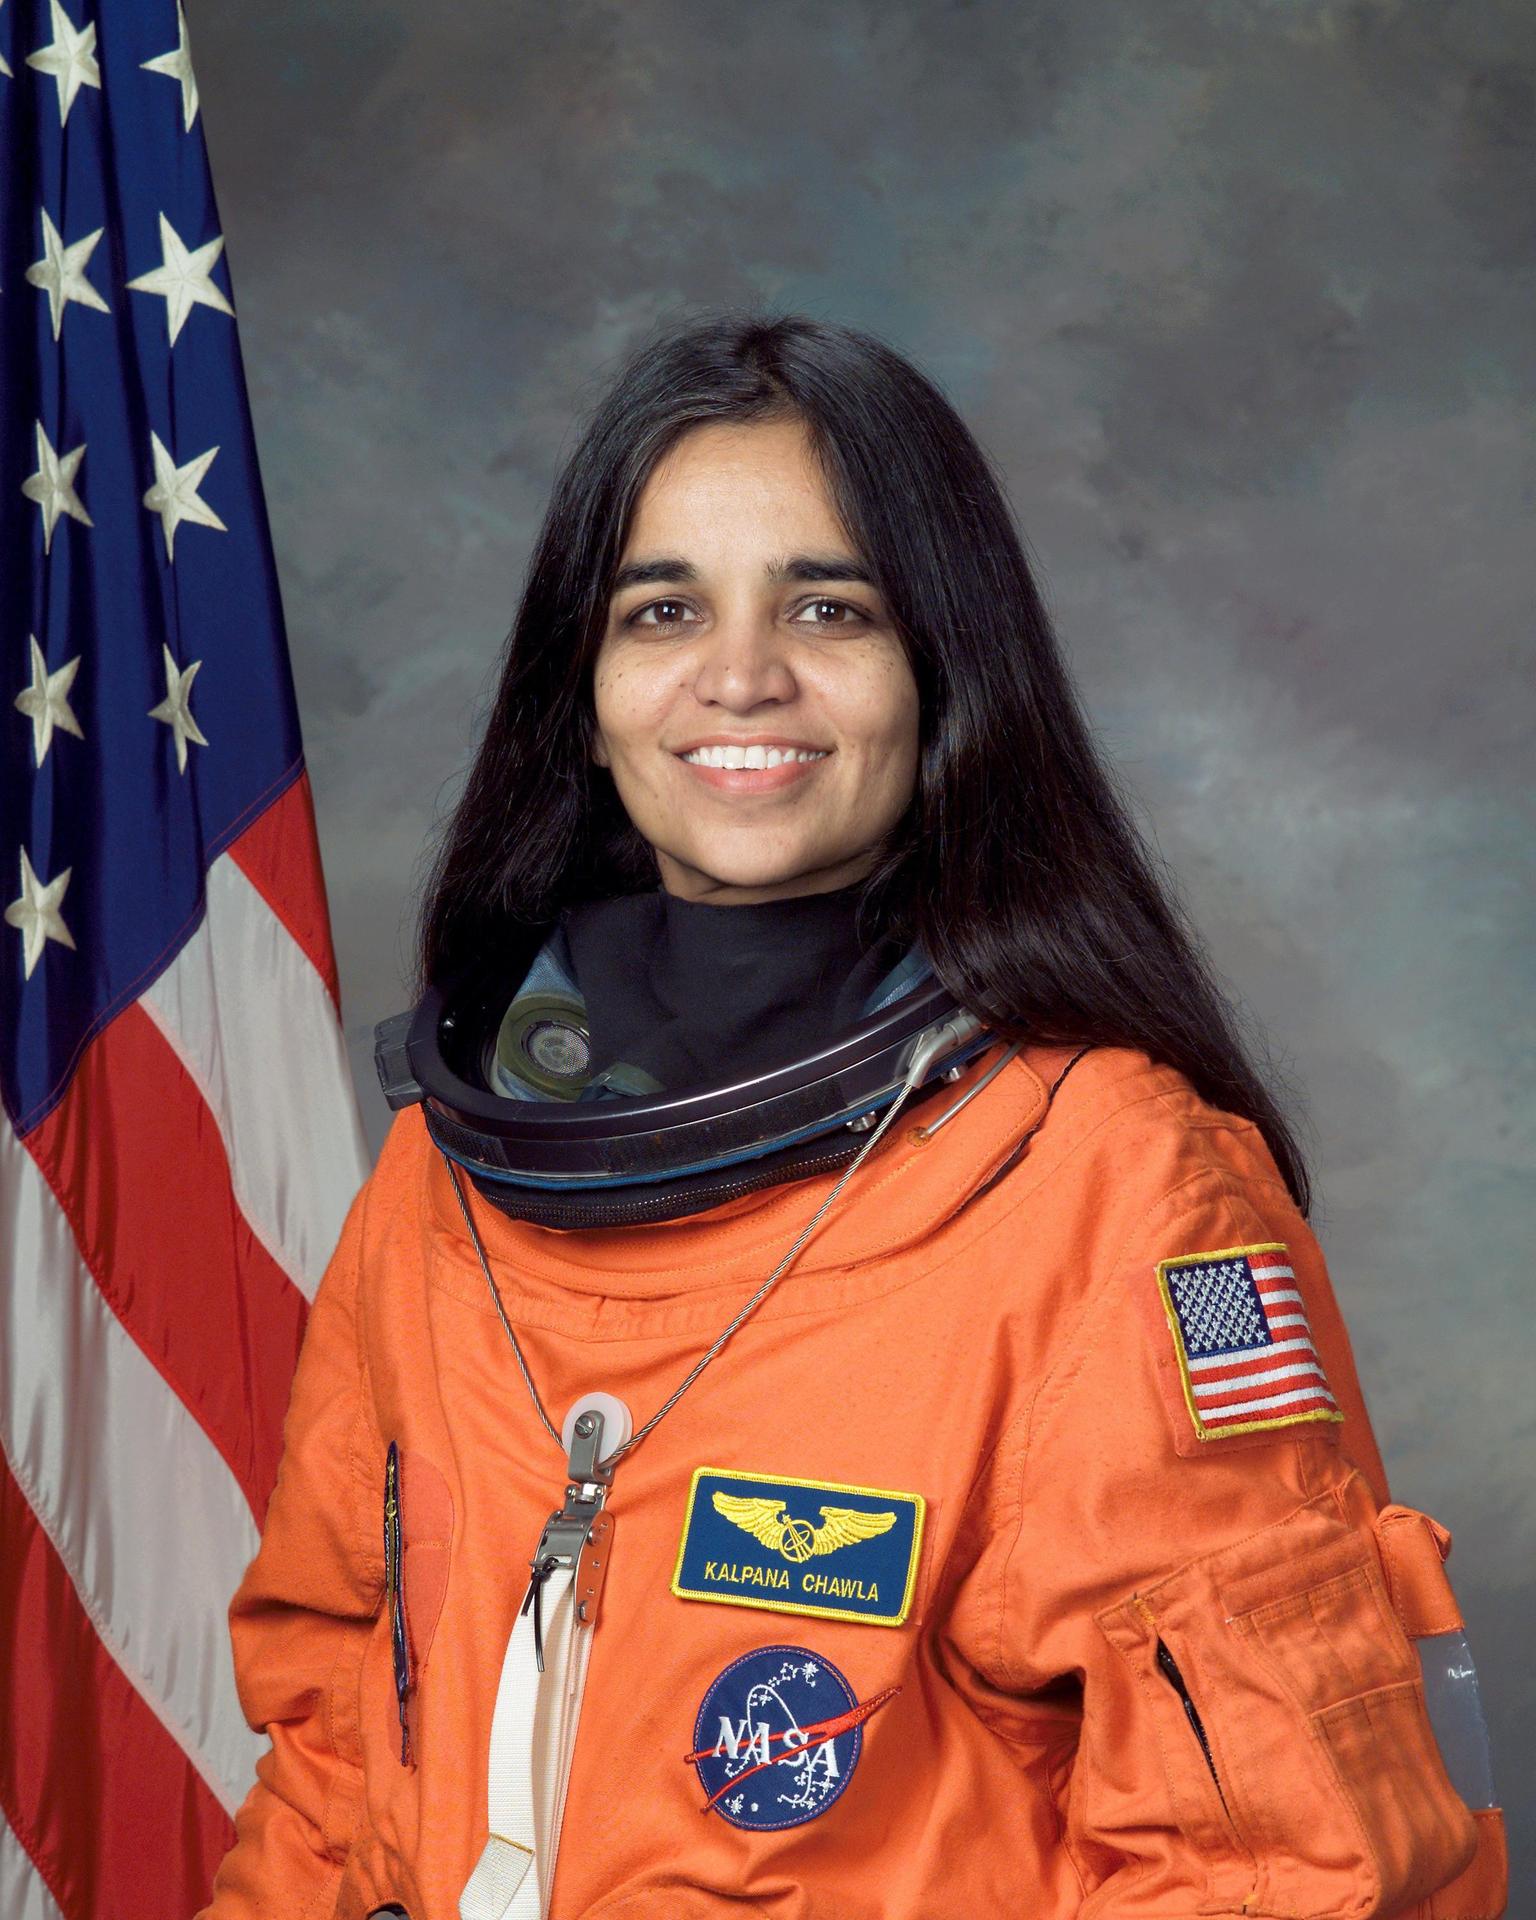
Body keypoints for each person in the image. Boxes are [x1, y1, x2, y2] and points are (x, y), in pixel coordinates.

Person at [199, 312, 1507, 1920]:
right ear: (584, 686)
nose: (740, 675)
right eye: (662, 608)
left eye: (829, 607)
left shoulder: (1114, 1188)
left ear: (941, 669)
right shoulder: (451, 1172)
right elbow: (335, 1760)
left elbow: (1283, 1864)